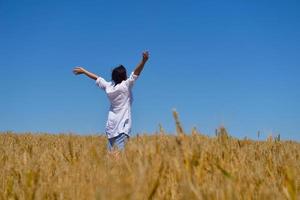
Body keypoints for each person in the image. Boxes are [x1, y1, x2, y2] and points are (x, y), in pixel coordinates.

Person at [73, 51, 149, 151]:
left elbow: (97, 78)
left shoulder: (109, 87)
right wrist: (143, 61)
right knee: (119, 160)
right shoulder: (125, 86)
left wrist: (84, 71)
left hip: (111, 127)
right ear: (124, 76)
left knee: (111, 160)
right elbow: (136, 73)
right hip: (122, 128)